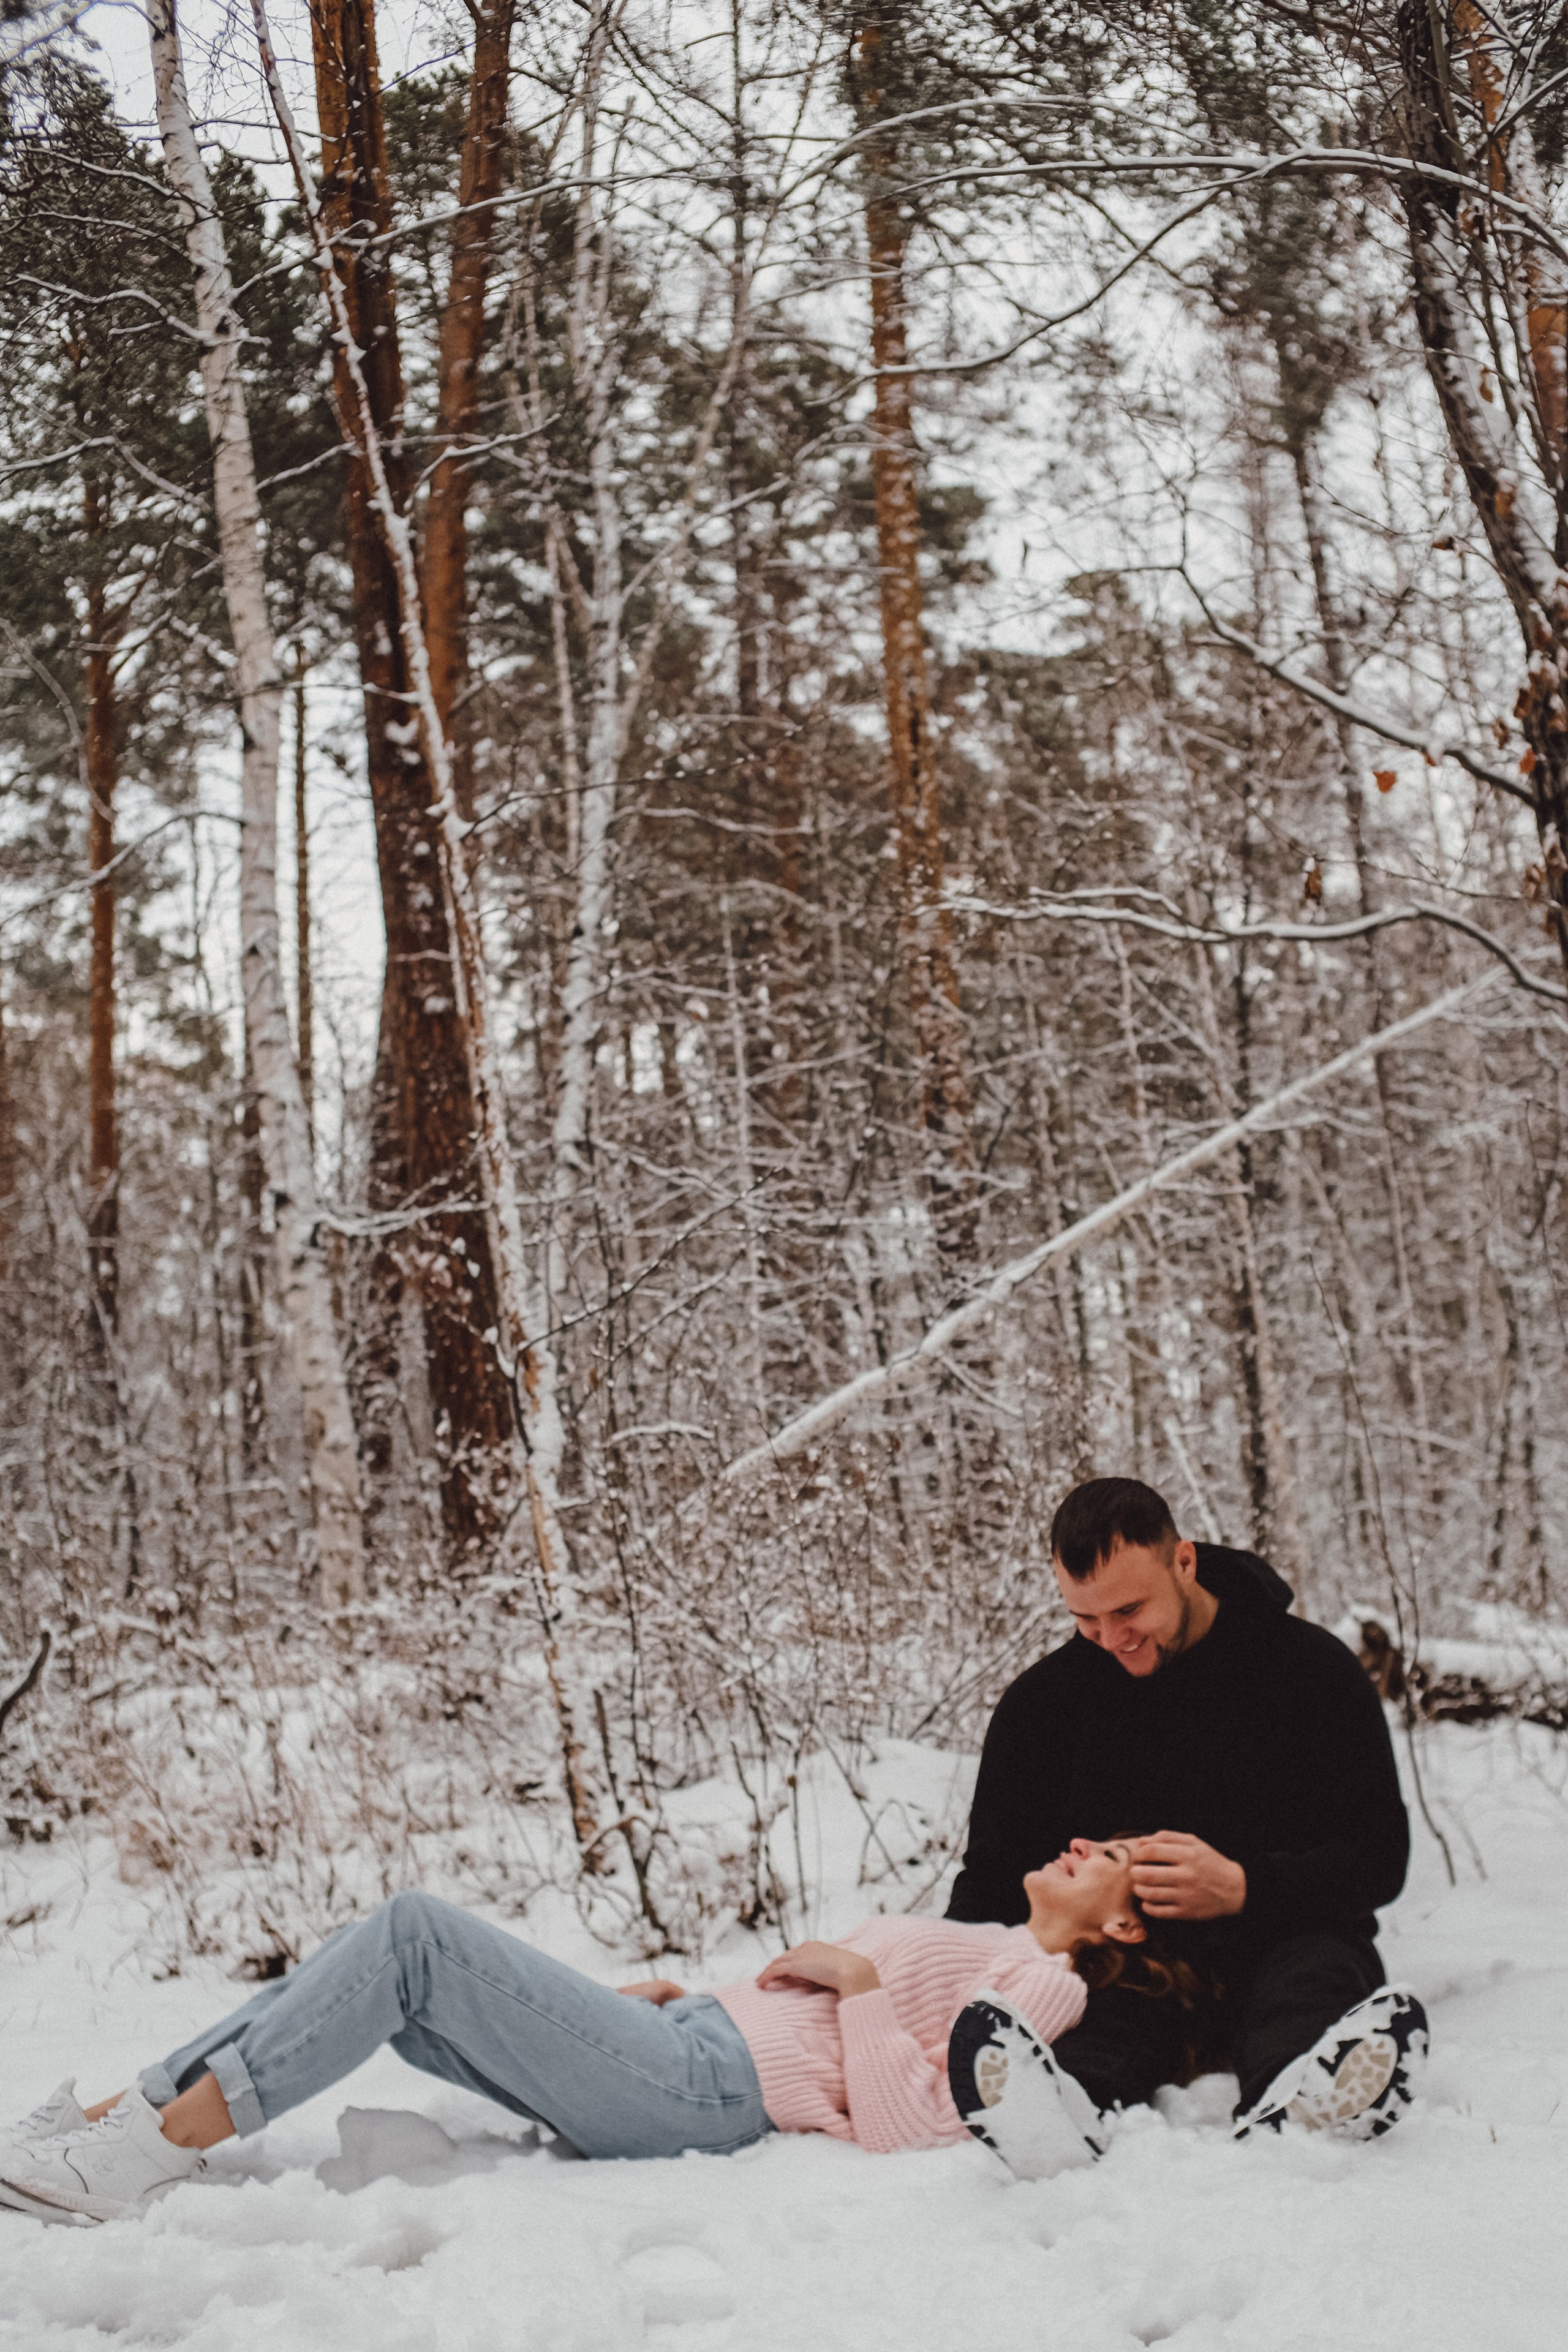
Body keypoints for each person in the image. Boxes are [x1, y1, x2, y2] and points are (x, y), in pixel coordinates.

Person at [0, 1837, 1175, 2224]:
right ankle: (122, 2116)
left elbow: (923, 2123)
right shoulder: (985, 1932)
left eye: (1106, 1857)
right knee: (386, 1974)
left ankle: (146, 2148)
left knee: (415, 1933)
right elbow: (811, 2017)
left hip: (708, 2096)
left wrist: (860, 1977)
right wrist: (694, 1995)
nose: (1080, 1845)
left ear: (1119, 1920)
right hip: (693, 2050)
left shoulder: (1048, 1983)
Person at [944, 1476, 1427, 2141]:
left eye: (1129, 1611)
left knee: (1311, 1976)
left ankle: (1308, 2100)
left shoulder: (1310, 1671)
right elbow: (993, 1876)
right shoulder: (1043, 1708)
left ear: (1184, 1562)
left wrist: (1243, 1887)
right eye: (1086, 1619)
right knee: (1093, 2012)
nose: (1113, 1638)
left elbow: (1377, 1859)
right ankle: (1053, 2117)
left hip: (1283, 1936)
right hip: (1122, 1969)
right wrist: (947, 1974)